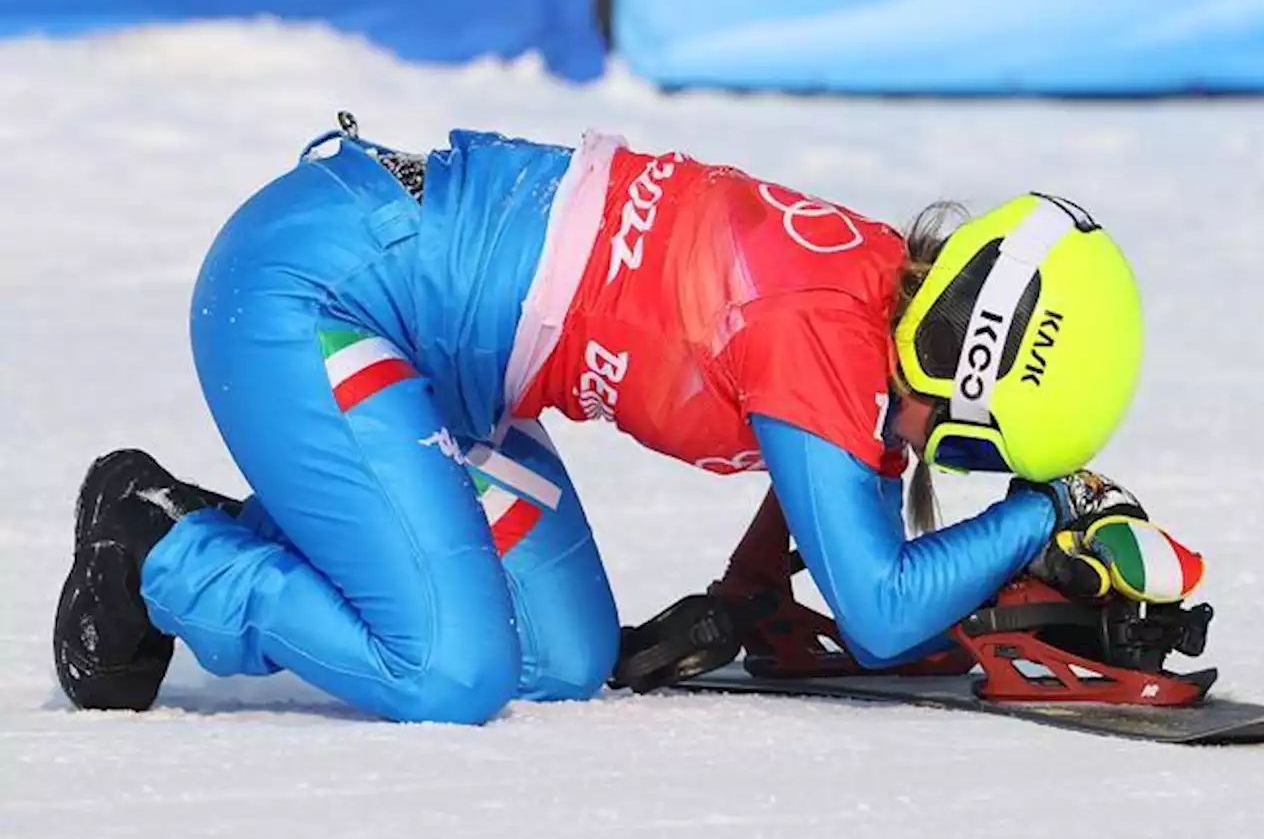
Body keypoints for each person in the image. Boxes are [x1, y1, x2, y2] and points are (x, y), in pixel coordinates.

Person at [53, 113, 1166, 724]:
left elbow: (838, 488)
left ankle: (311, 520)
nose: (939, 455)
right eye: (968, 442)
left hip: (421, 339)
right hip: (311, 298)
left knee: (561, 656)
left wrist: (748, 593)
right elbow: (874, 607)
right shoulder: (816, 338)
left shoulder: (870, 283)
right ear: (952, 355)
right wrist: (1040, 516)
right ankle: (164, 545)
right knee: (451, 672)